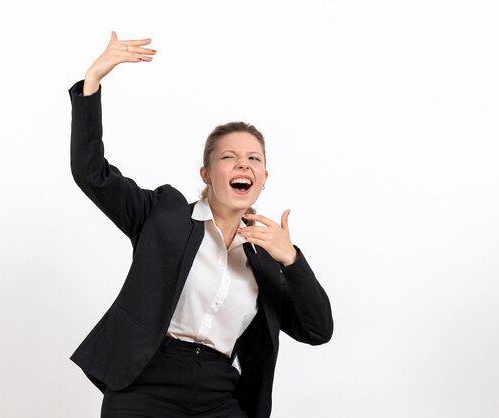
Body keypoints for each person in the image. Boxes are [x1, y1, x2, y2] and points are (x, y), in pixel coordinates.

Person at [68, 32, 333, 418]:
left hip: (217, 392)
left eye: (254, 159)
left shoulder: (265, 259)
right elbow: (92, 174)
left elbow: (318, 331)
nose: (244, 164)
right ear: (207, 173)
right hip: (146, 382)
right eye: (230, 157)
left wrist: (291, 260)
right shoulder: (163, 214)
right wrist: (92, 81)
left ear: (263, 178)